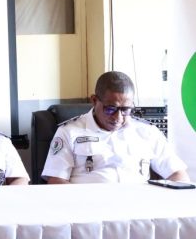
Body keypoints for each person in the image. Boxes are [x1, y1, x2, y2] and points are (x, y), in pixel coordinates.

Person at [42, 71, 189, 184]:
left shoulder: (147, 132)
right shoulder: (69, 132)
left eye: (125, 109)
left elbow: (177, 174)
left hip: (138, 207)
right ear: (94, 100)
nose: (118, 117)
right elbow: (56, 181)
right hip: (90, 209)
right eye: (111, 109)